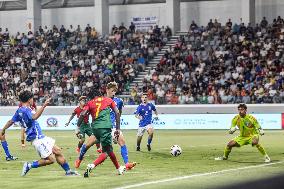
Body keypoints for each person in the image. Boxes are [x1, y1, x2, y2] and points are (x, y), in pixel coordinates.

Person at [1, 91, 79, 176]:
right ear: (29, 99)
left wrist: (4, 129)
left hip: (41, 137)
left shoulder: (20, 110)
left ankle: (68, 171)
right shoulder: (26, 110)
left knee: (57, 151)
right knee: (51, 159)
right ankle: (29, 165)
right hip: (37, 138)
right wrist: (44, 105)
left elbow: (11, 121)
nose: (33, 100)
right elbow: (35, 117)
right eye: (32, 98)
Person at [79, 89, 125, 177]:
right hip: (105, 127)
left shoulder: (90, 102)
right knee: (106, 152)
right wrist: (118, 129)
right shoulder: (108, 100)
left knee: (109, 149)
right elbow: (117, 112)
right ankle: (92, 166)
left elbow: (83, 114)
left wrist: (78, 127)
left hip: (95, 129)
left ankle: (119, 168)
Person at [107, 82, 136, 170]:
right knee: (91, 144)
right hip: (103, 127)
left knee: (122, 142)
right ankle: (80, 158)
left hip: (113, 126)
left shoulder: (119, 101)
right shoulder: (102, 100)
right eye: (112, 90)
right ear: (107, 90)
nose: (113, 92)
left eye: (115, 91)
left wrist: (117, 126)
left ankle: (127, 164)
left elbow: (119, 113)